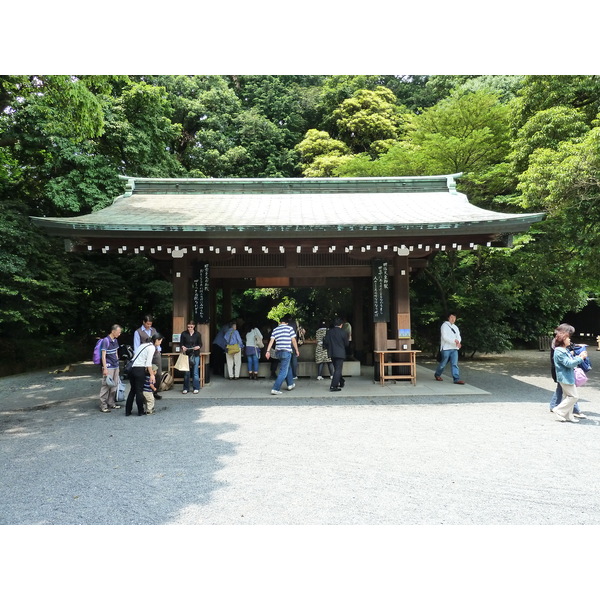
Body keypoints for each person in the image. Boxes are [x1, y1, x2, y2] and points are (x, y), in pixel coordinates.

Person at [549, 323, 585, 418]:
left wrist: (573, 349)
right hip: (562, 371)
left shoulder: (559, 342)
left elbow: (569, 347)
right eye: (569, 335)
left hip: (561, 370)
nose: (570, 337)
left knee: (562, 389)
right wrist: (580, 358)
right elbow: (567, 362)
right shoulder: (558, 345)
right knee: (572, 394)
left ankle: (556, 407)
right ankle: (563, 409)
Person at [126, 333, 162, 416]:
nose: (160, 343)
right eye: (160, 341)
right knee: (139, 391)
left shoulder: (143, 345)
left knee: (132, 390)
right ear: (156, 340)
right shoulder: (152, 347)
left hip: (132, 368)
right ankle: (140, 411)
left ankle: (128, 411)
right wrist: (152, 375)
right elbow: (148, 363)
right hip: (139, 369)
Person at [265, 316, 299, 395]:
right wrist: (296, 350)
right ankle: (275, 388)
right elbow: (293, 340)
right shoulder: (289, 328)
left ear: (280, 322)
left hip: (278, 352)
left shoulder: (275, 329)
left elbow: (271, 341)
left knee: (287, 367)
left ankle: (290, 384)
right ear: (287, 323)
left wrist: (268, 351)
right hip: (286, 351)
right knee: (283, 371)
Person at [133, 314, 162, 400]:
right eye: (147, 324)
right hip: (145, 355)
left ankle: (155, 391)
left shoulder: (154, 330)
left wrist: (159, 350)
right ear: (143, 322)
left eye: (150, 324)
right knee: (146, 374)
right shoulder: (138, 332)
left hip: (155, 353)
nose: (149, 326)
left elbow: (158, 341)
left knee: (158, 373)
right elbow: (136, 346)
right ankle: (145, 392)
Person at [434, 312, 465, 384]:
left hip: (454, 348)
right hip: (446, 348)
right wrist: (455, 341)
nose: (453, 319)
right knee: (443, 363)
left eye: (454, 318)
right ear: (448, 318)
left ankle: (456, 379)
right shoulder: (444, 325)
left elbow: (458, 336)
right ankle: (437, 374)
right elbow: (445, 337)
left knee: (454, 364)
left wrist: (458, 342)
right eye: (451, 317)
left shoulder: (455, 327)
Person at [99, 324, 123, 413]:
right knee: (106, 385)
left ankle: (111, 402)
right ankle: (103, 405)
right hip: (109, 366)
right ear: (113, 331)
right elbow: (103, 356)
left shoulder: (115, 340)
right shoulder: (106, 341)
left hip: (115, 366)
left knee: (114, 385)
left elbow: (116, 352)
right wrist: (105, 368)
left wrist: (118, 365)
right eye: (118, 332)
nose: (119, 334)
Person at [323, 317, 349, 392]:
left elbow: (326, 342)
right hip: (340, 353)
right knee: (338, 369)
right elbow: (346, 344)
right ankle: (333, 386)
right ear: (341, 325)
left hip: (332, 352)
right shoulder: (343, 332)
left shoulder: (329, 332)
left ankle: (341, 381)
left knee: (337, 368)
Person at [181, 320, 202, 394]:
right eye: (188, 327)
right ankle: (186, 388)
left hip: (195, 353)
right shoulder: (184, 334)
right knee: (186, 372)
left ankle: (196, 387)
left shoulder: (197, 334)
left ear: (194, 326)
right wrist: (183, 347)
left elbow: (200, 344)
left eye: (191, 326)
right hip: (187, 354)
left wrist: (198, 347)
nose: (190, 328)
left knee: (195, 372)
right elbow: (181, 343)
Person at [285, 314, 301, 379]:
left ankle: (287, 375)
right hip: (294, 343)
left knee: (287, 360)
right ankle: (294, 375)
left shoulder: (285, 324)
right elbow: (302, 331)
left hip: (286, 344)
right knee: (294, 359)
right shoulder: (295, 323)